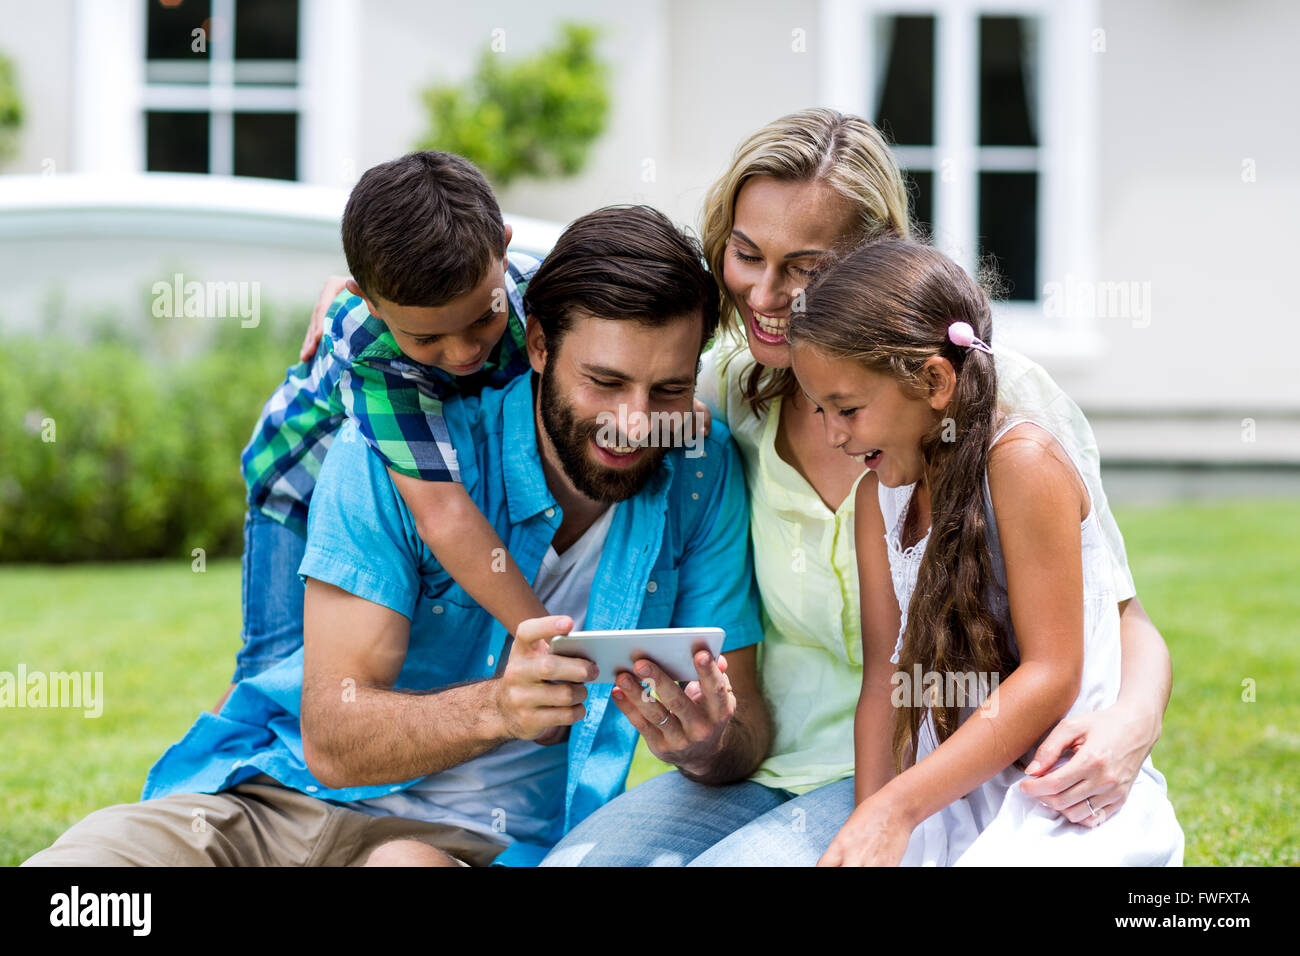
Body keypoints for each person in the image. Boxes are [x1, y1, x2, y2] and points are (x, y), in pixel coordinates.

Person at [22, 205, 767, 867]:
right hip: (272, 802)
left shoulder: (699, 479)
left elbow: (745, 734)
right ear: (535, 345)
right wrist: (498, 708)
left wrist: (704, 743)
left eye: (668, 388)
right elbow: (333, 736)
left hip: (460, 847)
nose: (637, 423)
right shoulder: (400, 449)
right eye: (603, 383)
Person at [541, 108, 1174, 866]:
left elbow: (1118, 619)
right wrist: (383, 330)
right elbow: (563, 344)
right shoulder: (716, 404)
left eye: (806, 268)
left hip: (924, 766)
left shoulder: (999, 409)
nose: (765, 294)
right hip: (766, 766)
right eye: (746, 253)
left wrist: (1133, 721)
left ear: (874, 265)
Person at [789, 238, 1182, 865]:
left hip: (1061, 802)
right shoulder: (877, 501)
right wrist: (871, 818)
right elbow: (884, 685)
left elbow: (1053, 675)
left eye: (849, 408)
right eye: (821, 410)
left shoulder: (1023, 463)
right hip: (947, 797)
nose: (835, 435)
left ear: (936, 380)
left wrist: (898, 809)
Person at [232, 150, 549, 701]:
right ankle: (203, 778)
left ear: (503, 246)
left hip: (390, 507)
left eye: (482, 318)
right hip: (297, 491)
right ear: (368, 301)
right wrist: (544, 640)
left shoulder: (536, 291)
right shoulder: (367, 345)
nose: (464, 350)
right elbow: (443, 513)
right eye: (427, 339)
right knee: (271, 676)